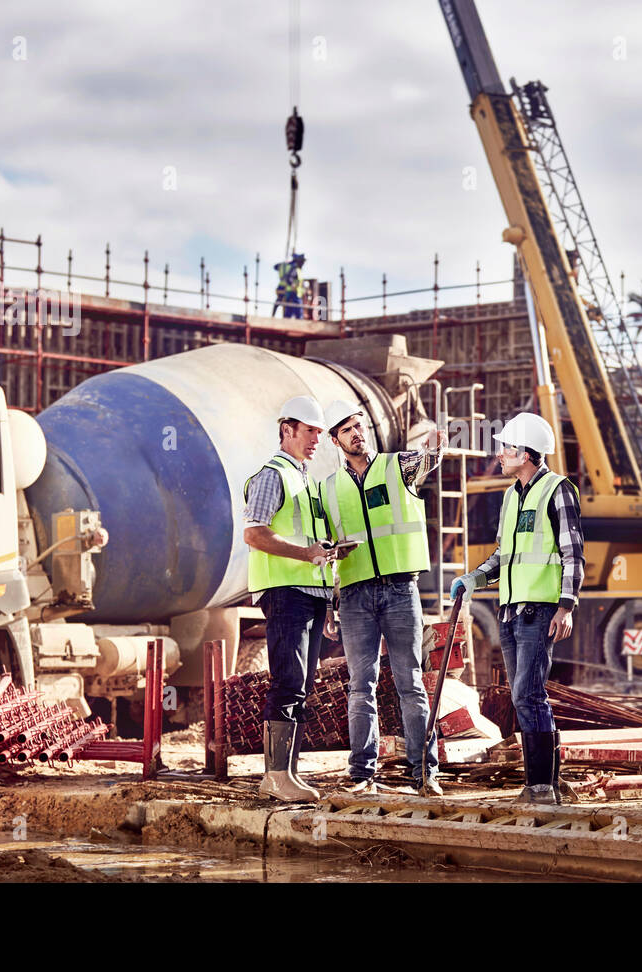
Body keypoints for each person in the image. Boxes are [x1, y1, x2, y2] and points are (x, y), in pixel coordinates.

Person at [450, 413, 585, 804]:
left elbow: (573, 553)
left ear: (525, 454)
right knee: (526, 695)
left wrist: (566, 605)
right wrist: (475, 578)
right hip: (510, 610)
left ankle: (540, 787)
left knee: (528, 694)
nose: (499, 454)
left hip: (540, 610)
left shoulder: (558, 490)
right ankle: (549, 784)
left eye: (506, 448)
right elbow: (504, 555)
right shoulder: (511, 495)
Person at [320, 400, 446, 795]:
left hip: (399, 589)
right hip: (354, 595)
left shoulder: (396, 467)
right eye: (347, 430)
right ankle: (362, 775)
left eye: (359, 427)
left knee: (410, 681)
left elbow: (430, 458)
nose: (356, 434)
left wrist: (437, 444)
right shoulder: (327, 489)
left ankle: (425, 774)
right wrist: (329, 601)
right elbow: (323, 548)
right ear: (335, 440)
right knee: (362, 685)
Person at [243, 395, 338, 802]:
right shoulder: (273, 475)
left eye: (319, 431)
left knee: (302, 684)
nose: (317, 438)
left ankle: (288, 774)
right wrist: (306, 553)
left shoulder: (304, 479)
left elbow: (310, 543)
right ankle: (275, 776)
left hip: (311, 593)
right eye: (310, 430)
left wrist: (329, 583)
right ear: (288, 430)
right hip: (285, 593)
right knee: (288, 681)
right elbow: (254, 533)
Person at [274, 253, 307, 319]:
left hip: (295, 293)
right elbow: (289, 278)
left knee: (289, 309)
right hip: (293, 293)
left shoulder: (298, 270)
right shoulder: (295, 269)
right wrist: (293, 285)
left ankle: (285, 320)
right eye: (302, 262)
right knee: (297, 311)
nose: (303, 264)